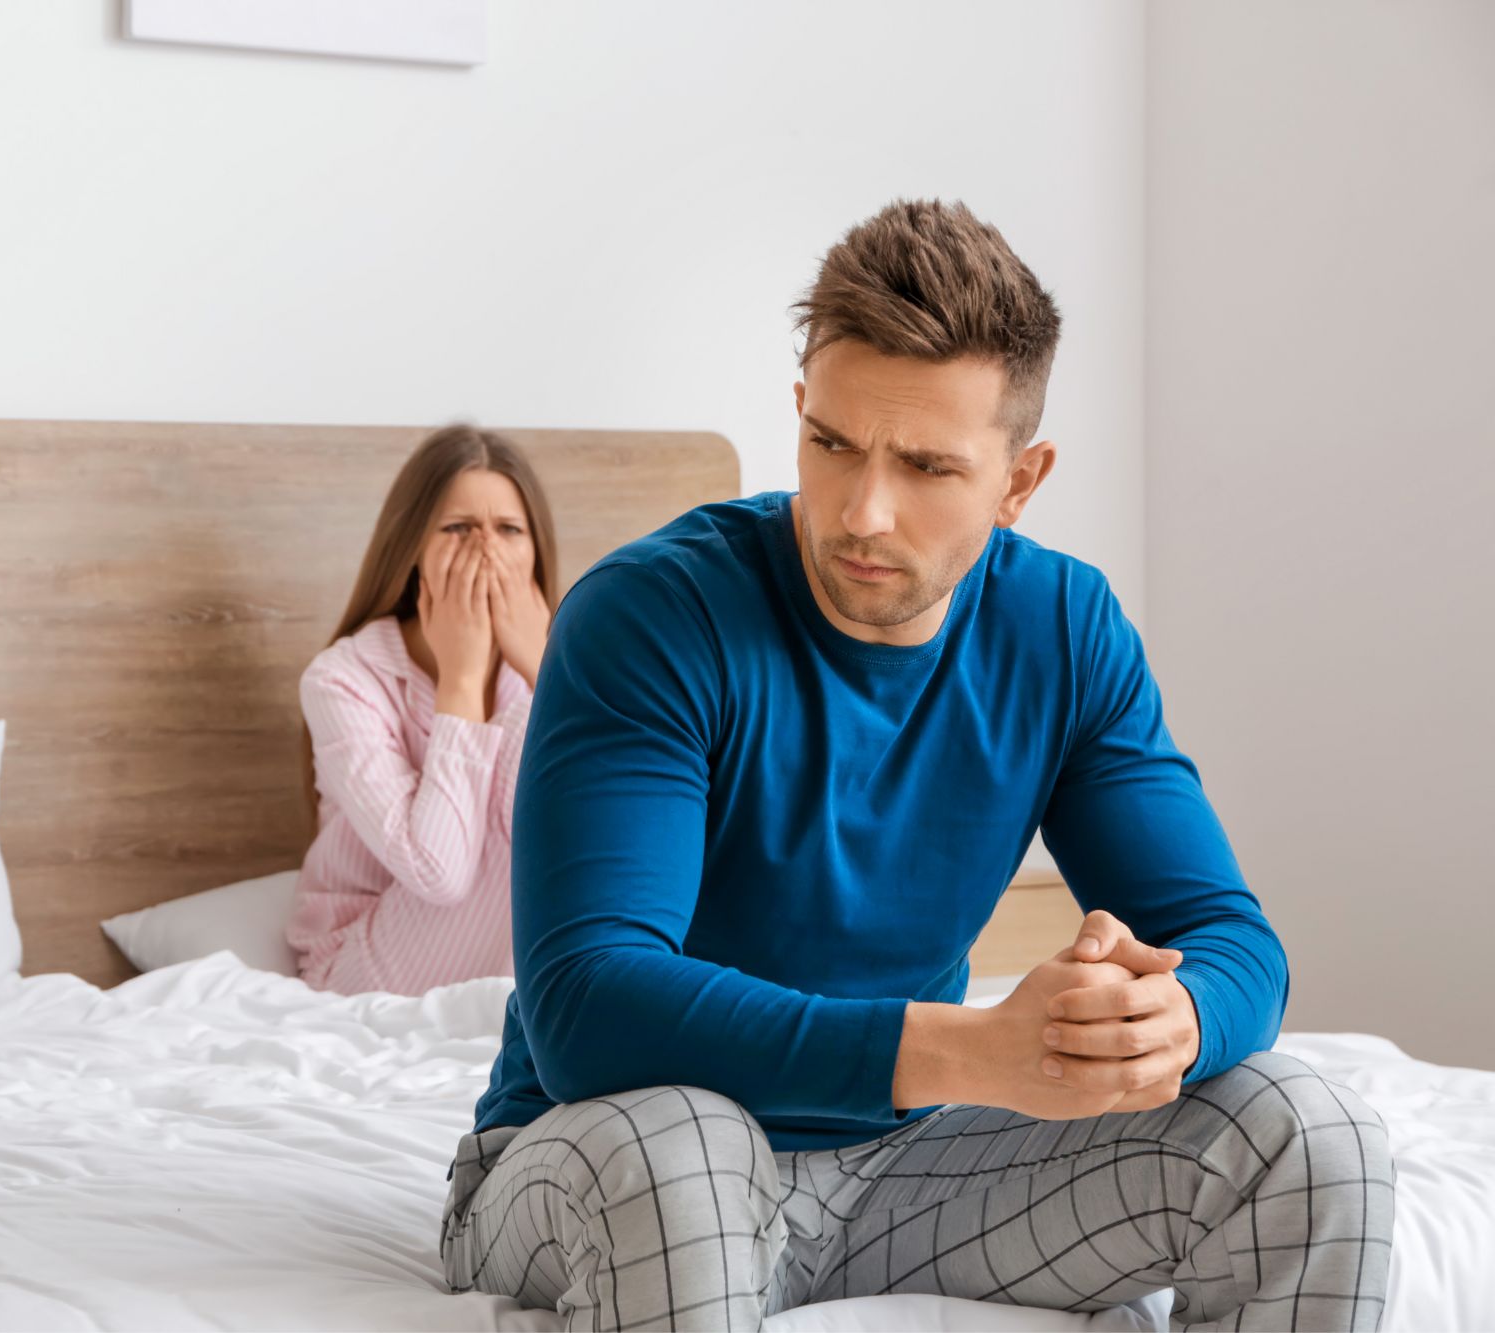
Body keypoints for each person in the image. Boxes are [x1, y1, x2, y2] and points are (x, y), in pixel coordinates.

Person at [440, 201, 1394, 1331]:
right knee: (686, 1147)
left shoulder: (1062, 628)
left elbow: (1235, 946)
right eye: (832, 443)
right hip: (601, 1151)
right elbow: (586, 1007)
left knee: (1303, 1128)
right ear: (799, 411)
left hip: (902, 1173)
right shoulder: (651, 616)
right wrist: (970, 1050)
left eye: (928, 465)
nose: (861, 509)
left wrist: (1167, 1019)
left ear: (1018, 481)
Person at [287, 424, 558, 995]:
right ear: (413, 547)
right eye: (458, 529)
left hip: (508, 965)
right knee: (527, 748)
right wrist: (460, 677)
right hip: (359, 964)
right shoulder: (343, 679)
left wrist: (547, 669)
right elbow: (439, 872)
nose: (485, 549)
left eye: (508, 529)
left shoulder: (556, 665)